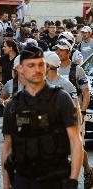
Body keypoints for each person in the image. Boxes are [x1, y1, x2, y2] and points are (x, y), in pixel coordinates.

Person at [1, 45, 83, 189]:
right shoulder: (13, 105)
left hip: (57, 179)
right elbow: (7, 147)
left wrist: (73, 180)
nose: (37, 70)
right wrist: (6, 185)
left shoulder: (61, 99)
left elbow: (76, 141)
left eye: (41, 64)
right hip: (24, 179)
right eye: (31, 65)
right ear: (20, 69)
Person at [55, 39, 93, 189]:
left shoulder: (77, 70)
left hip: (74, 114)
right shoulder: (52, 68)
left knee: (77, 146)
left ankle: (88, 170)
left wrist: (82, 112)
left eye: (61, 50)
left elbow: (85, 92)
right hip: (57, 115)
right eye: (57, 49)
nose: (58, 52)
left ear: (68, 52)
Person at [0, 40, 19, 116]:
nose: (3, 48)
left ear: (11, 48)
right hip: (5, 84)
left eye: (5, 46)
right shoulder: (4, 58)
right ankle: (2, 109)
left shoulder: (19, 57)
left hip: (17, 84)